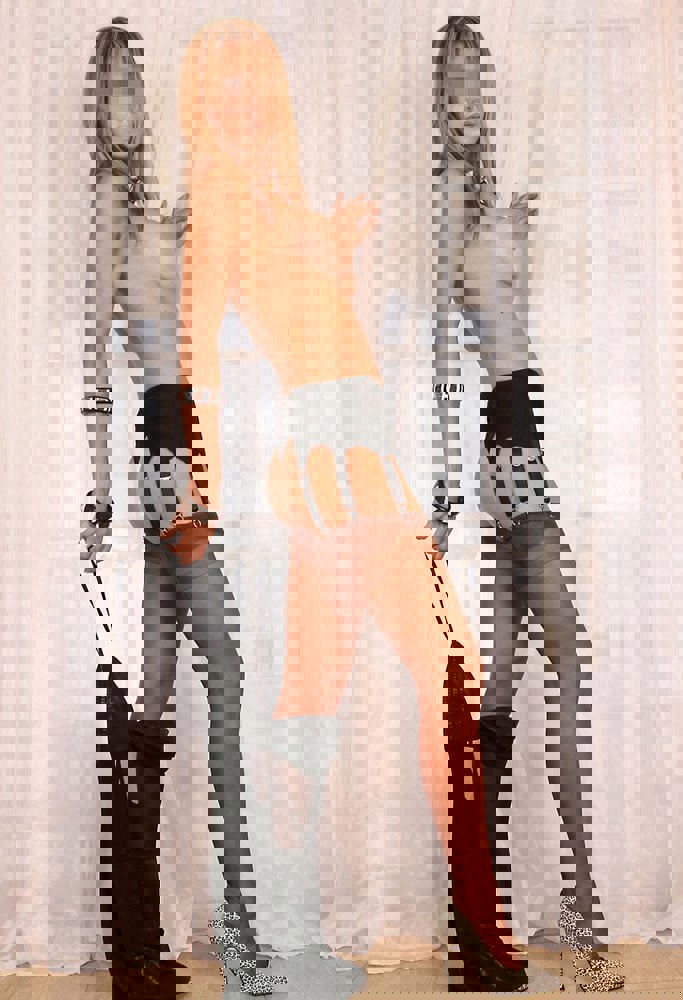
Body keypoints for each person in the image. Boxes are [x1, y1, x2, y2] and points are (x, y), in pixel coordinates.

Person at [177, 19, 527, 991]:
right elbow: (200, 366)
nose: (247, 101)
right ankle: (270, 945)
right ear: (200, 103)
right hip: (321, 466)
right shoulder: (216, 203)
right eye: (225, 84)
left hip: (369, 459)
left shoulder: (280, 199)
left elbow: (322, 319)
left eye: (258, 80)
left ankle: (466, 926)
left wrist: (330, 243)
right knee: (318, 705)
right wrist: (197, 501)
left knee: (432, 683)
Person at [80, 19, 286, 997]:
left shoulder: (160, 208)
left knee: (157, 711)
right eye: (112, 92)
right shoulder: (111, 220)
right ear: (97, 111)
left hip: (183, 450)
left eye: (134, 88)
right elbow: (100, 377)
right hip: (161, 465)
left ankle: (148, 947)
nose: (125, 108)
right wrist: (113, 497)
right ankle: (212, 939)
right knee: (213, 682)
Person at [430, 16, 624, 992]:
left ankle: (489, 929)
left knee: (507, 698)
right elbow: (445, 364)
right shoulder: (456, 218)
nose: (468, 104)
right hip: (507, 460)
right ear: (442, 108)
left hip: (524, 450)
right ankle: (561, 925)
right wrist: (448, 500)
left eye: (477, 83)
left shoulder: (502, 207)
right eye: (455, 88)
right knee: (554, 668)